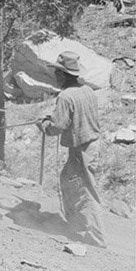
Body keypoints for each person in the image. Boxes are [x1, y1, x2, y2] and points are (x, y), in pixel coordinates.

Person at [39, 51, 107, 247]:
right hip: (88, 146)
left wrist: (44, 124)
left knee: (87, 190)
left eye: (57, 73)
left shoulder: (66, 96)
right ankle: (75, 224)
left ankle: (97, 237)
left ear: (63, 74)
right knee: (67, 181)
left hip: (82, 149)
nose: (55, 76)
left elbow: (57, 127)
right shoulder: (87, 90)